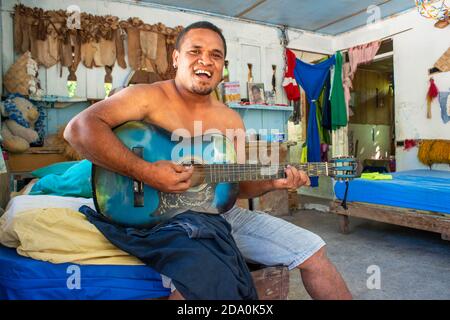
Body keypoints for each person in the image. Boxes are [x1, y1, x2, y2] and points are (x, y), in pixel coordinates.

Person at [65, 21, 352, 300]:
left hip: (218, 215)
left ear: (222, 66)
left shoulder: (230, 120)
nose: (206, 60)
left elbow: (234, 187)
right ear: (176, 58)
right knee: (204, 277)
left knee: (314, 250)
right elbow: (79, 129)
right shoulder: (146, 97)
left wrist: (271, 183)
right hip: (157, 220)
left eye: (216, 55)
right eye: (195, 51)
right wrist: (146, 172)